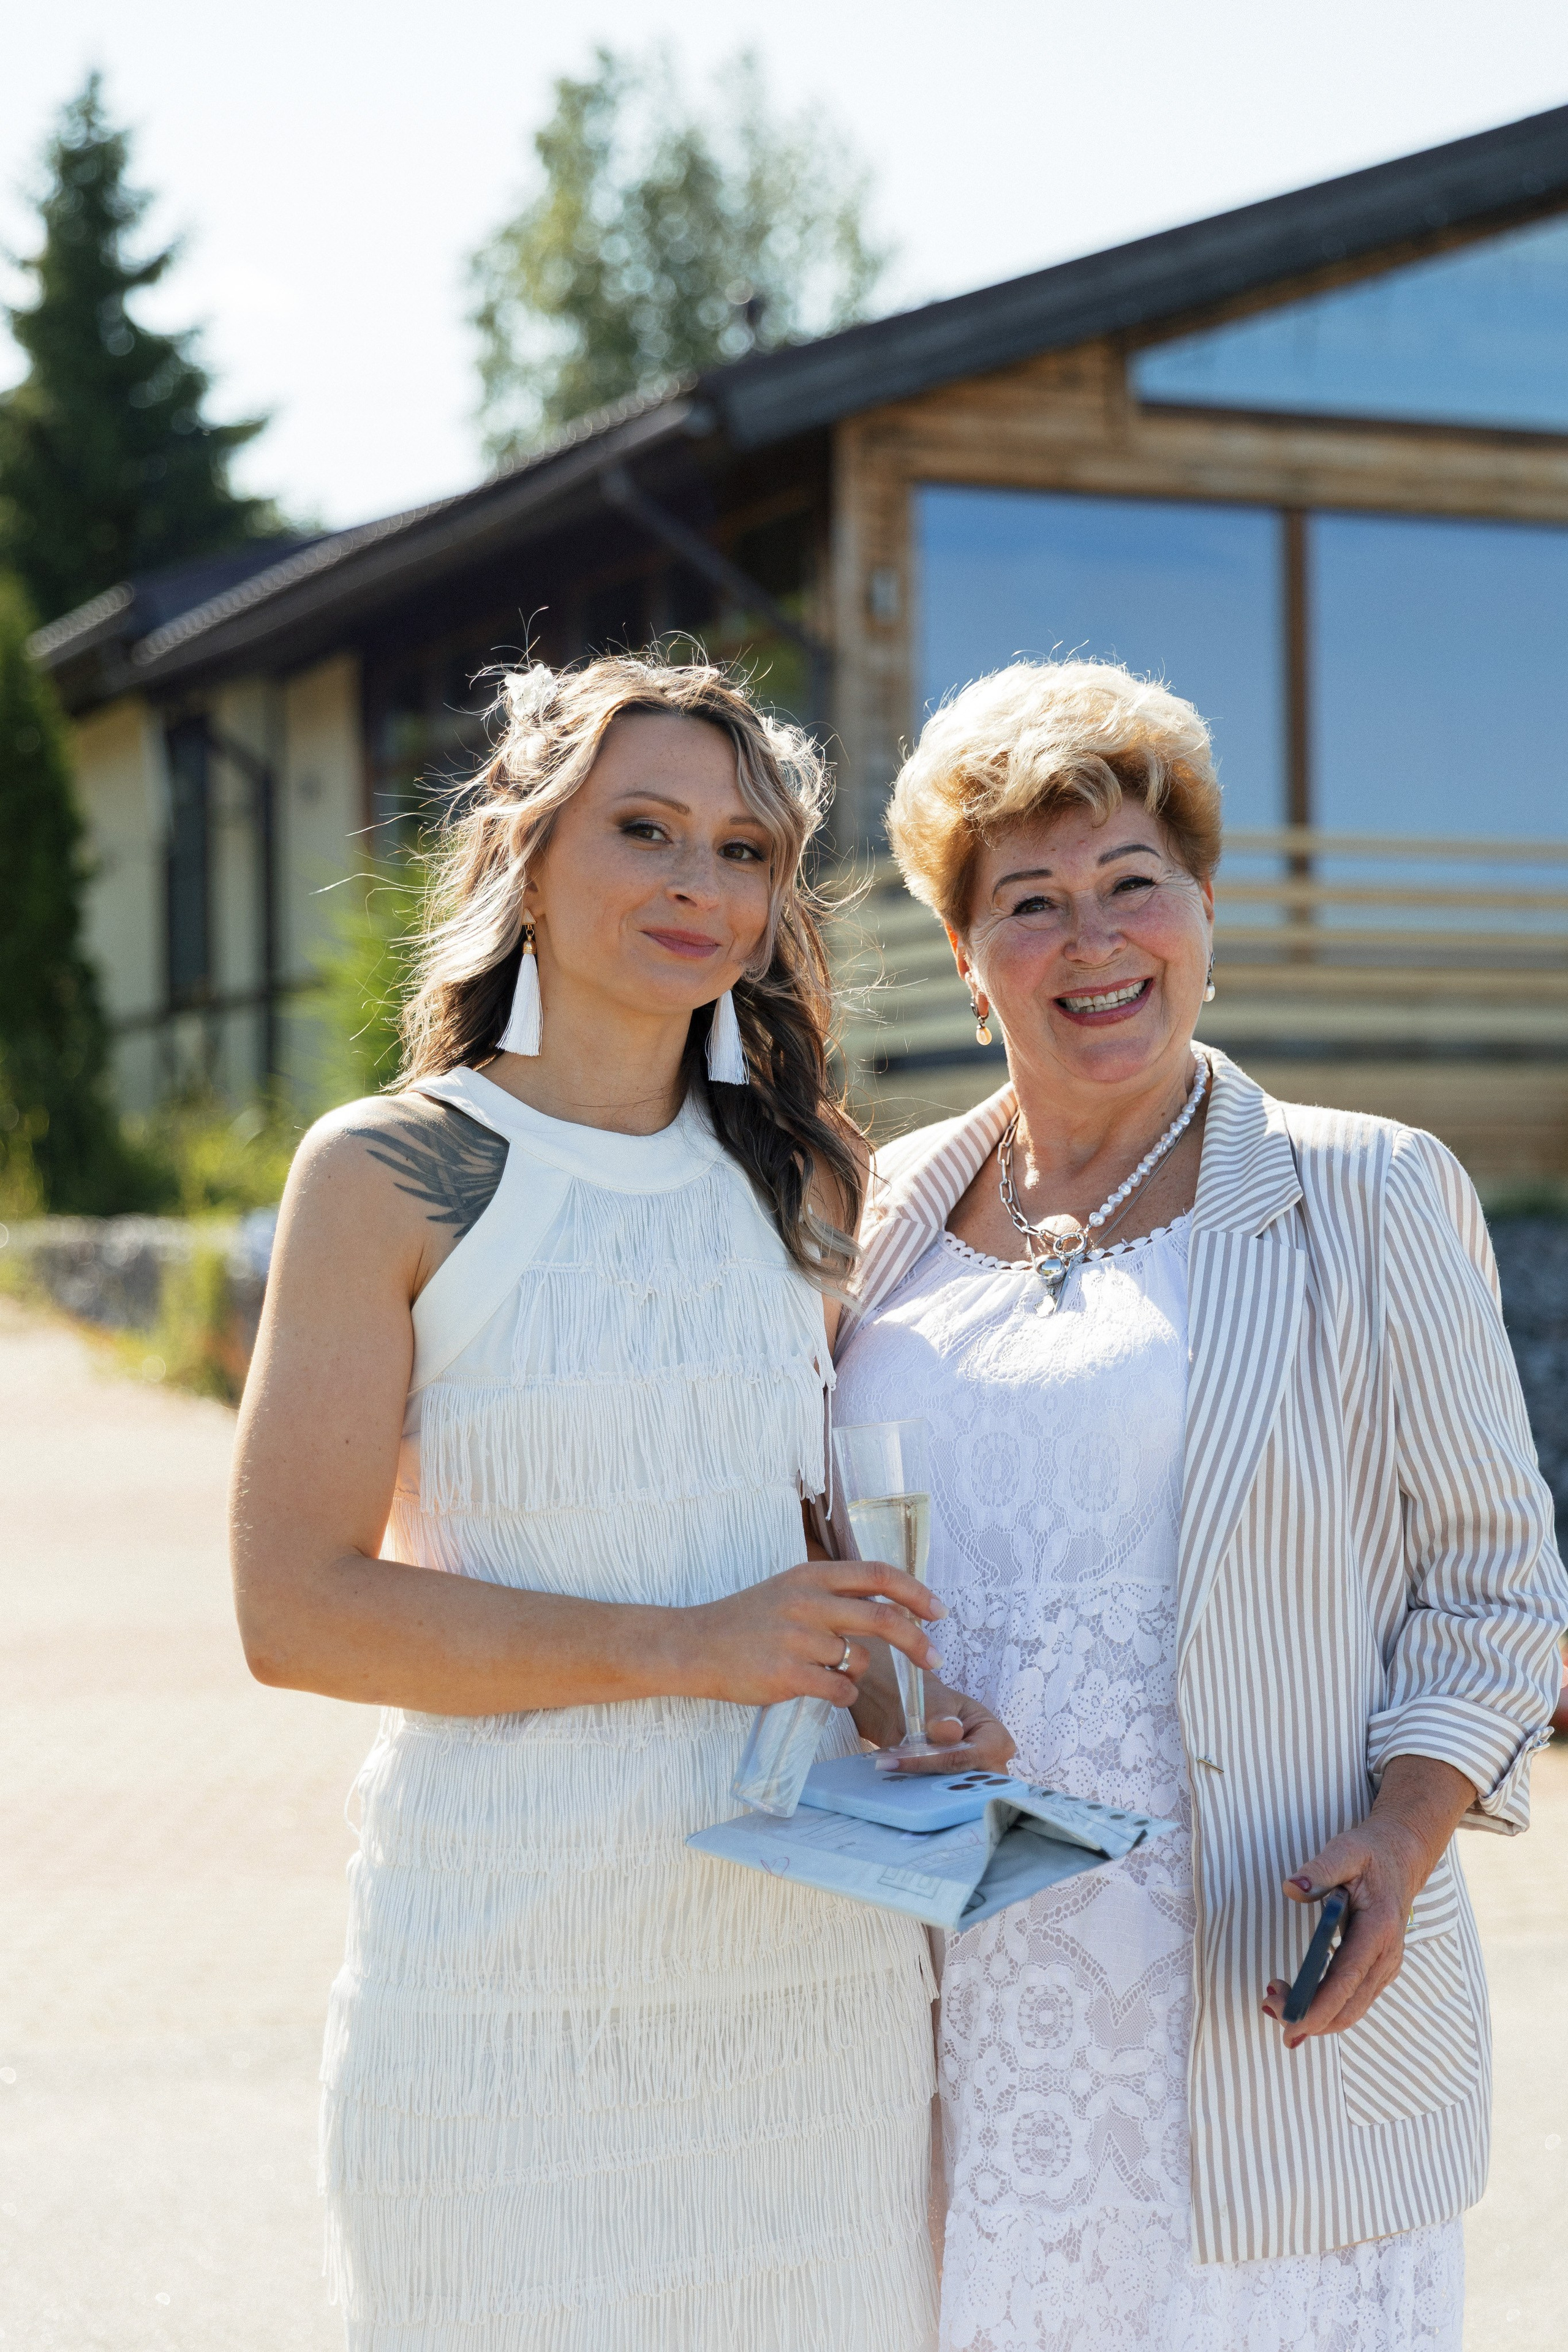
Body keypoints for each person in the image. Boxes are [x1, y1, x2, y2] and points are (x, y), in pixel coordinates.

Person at [230, 654, 1007, 2352]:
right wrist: (689, 1646)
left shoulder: (809, 1178)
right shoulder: (394, 1170)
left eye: (743, 851)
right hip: (505, 1978)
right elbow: (296, 1612)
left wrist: (907, 1709)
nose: (697, 884)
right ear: (526, 853)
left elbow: (815, 1545)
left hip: (808, 1997)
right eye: (643, 829)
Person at [831, 658, 1567, 2352]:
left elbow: (1497, 1590)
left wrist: (1403, 1837)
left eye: (1132, 883)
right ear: (966, 958)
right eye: (1031, 901)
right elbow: (838, 1549)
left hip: (1254, 2003)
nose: (1092, 940)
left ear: (1205, 911)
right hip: (957, 2022)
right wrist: (882, 1702)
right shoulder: (879, 1215)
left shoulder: (1365, 1192)